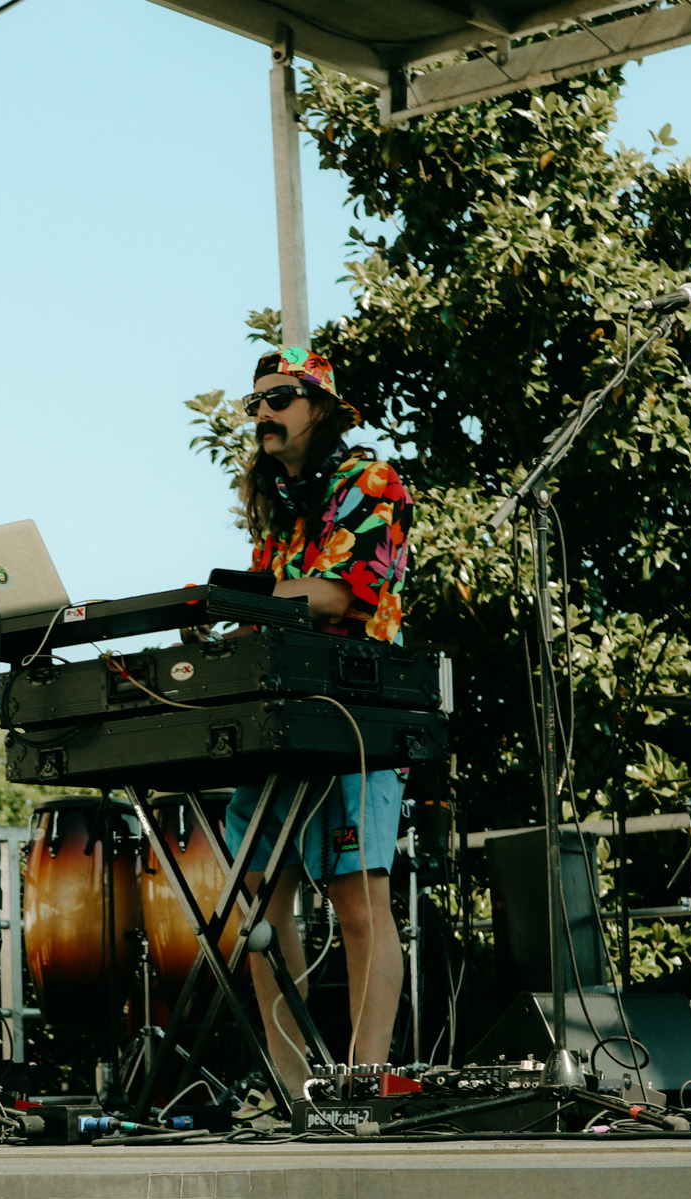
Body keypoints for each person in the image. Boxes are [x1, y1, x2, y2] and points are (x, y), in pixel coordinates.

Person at [219, 346, 413, 1101]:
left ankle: (363, 1088)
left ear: (320, 409)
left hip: (352, 720)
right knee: (259, 906)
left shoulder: (371, 482)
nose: (263, 414)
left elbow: (340, 594)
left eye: (279, 399)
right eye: (256, 403)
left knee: (359, 905)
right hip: (281, 722)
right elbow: (272, 602)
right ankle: (293, 1088)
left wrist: (241, 600)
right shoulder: (279, 503)